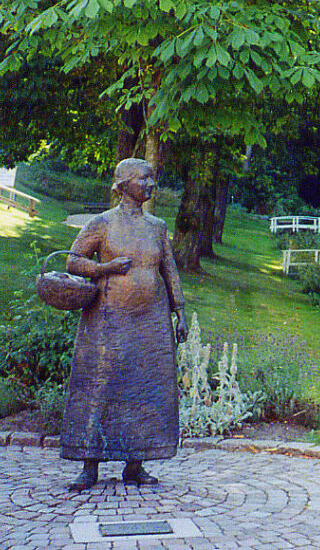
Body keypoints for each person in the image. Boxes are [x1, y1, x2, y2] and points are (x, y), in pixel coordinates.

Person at [61, 158, 189, 491]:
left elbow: (170, 271)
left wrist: (180, 311)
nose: (151, 184)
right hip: (108, 320)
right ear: (124, 184)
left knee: (145, 389)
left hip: (151, 321)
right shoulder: (102, 224)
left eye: (153, 179)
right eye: (145, 179)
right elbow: (73, 261)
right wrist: (106, 269)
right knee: (99, 388)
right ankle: (89, 464)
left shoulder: (157, 227)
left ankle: (136, 463)